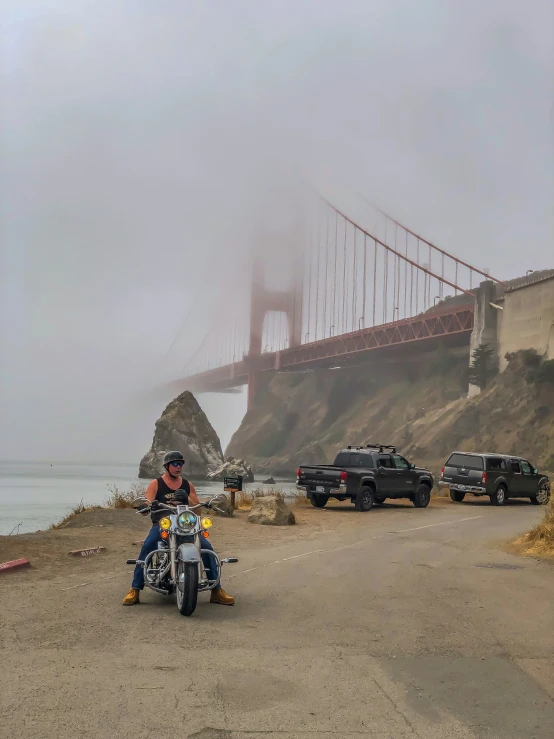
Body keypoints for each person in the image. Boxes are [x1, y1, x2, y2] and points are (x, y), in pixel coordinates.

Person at [122, 451, 235, 606]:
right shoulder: (156, 484)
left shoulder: (187, 485)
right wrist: (145, 506)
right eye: (175, 464)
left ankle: (216, 590)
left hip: (185, 526)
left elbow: (198, 510)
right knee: (148, 546)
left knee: (207, 547)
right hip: (163, 526)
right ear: (167, 466)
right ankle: (135, 589)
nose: (178, 467)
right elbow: (148, 502)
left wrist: (186, 499)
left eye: (180, 464)